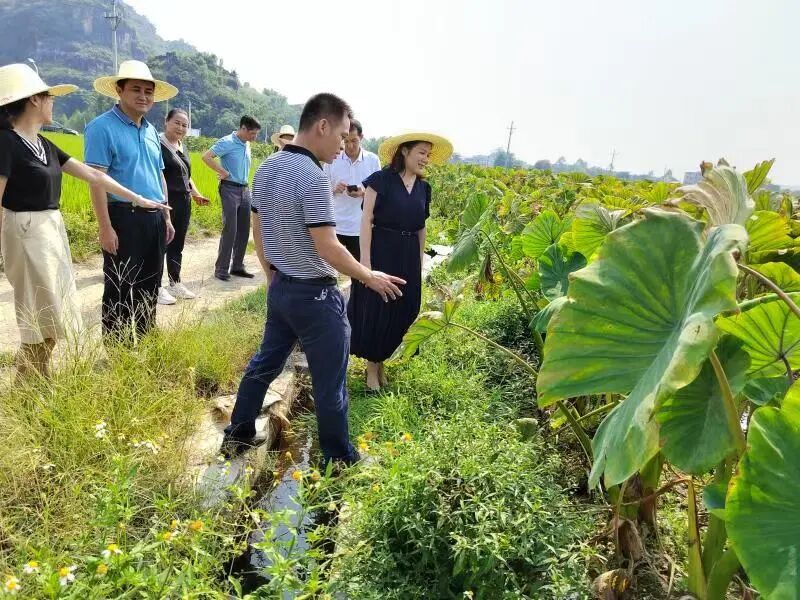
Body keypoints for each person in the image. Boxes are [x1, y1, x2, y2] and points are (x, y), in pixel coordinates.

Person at [221, 93, 405, 466]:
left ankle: (238, 433)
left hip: (283, 288)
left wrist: (272, 273)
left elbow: (258, 228)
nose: (342, 146)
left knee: (265, 363)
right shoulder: (314, 176)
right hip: (317, 298)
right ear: (322, 126)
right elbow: (327, 246)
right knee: (330, 383)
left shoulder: (268, 167)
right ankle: (339, 458)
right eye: (341, 135)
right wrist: (368, 276)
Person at [0, 63, 169, 375]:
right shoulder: (6, 142)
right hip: (24, 230)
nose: (53, 103)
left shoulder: (42, 144)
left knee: (53, 311)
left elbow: (93, 174)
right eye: (49, 97)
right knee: (38, 312)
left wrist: (140, 198)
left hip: (50, 229)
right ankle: (31, 385)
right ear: (34, 99)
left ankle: (37, 381)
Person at [348, 132, 453, 391]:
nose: (425, 159)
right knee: (377, 307)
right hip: (381, 249)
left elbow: (421, 228)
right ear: (404, 151)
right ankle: (372, 370)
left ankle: (382, 364)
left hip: (408, 254)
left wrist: (419, 260)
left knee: (402, 309)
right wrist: (365, 262)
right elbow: (366, 220)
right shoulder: (380, 180)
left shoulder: (423, 188)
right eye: (421, 153)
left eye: (428, 155)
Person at [85, 60, 179, 345]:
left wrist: (166, 216)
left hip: (154, 216)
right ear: (119, 90)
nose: (143, 96)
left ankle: (147, 337)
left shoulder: (151, 130)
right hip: (122, 216)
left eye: (148, 92)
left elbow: (157, 174)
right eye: (136, 89)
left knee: (151, 282)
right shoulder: (102, 127)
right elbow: (96, 180)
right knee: (120, 284)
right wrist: (105, 228)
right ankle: (118, 348)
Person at [157, 108, 210, 304]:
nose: (180, 128)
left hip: (184, 201)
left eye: (184, 125)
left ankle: (175, 282)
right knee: (161, 245)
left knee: (177, 244)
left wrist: (196, 194)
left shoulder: (182, 146)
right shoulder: (158, 144)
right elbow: (158, 176)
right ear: (166, 121)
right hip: (165, 202)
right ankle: (156, 287)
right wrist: (164, 205)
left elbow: (187, 176)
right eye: (177, 123)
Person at [202, 116, 261, 281]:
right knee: (231, 229)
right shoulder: (227, 142)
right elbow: (206, 156)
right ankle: (221, 269)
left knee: (243, 230)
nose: (254, 138)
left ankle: (237, 266)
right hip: (229, 189)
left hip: (244, 189)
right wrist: (222, 172)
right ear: (243, 129)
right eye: (252, 134)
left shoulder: (246, 143)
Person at [324, 119, 380, 261]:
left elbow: (380, 194)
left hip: (360, 227)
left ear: (361, 137)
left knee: (359, 272)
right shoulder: (333, 158)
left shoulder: (372, 160)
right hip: (335, 225)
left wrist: (364, 193)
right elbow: (322, 189)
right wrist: (334, 189)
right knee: (329, 269)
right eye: (346, 141)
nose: (350, 146)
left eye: (354, 141)